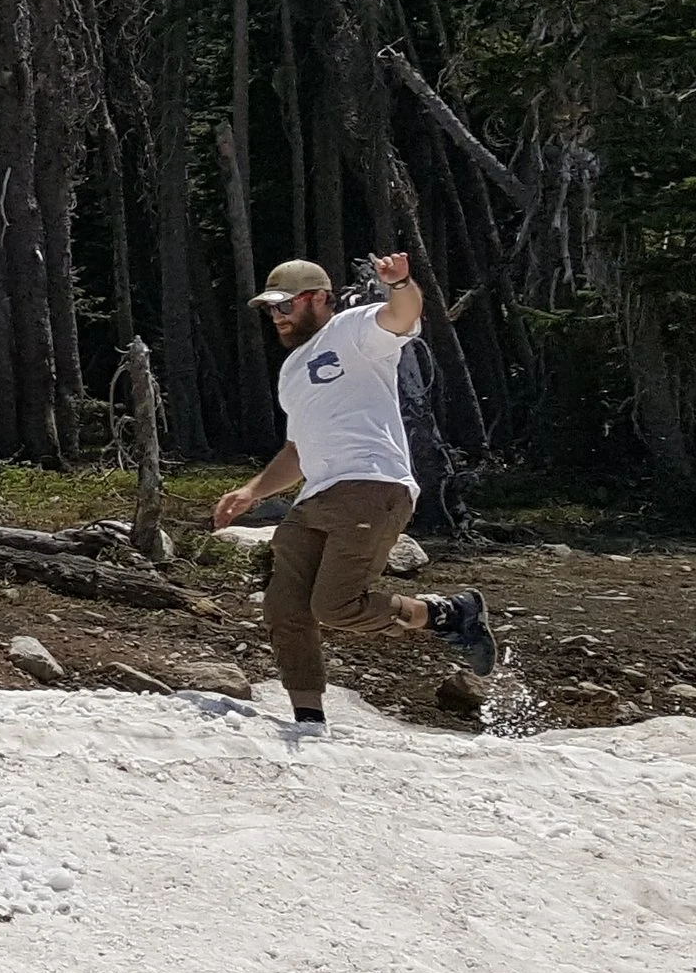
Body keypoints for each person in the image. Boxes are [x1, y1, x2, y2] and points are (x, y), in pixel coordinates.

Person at [213, 253, 499, 735]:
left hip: (371, 485)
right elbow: (298, 451)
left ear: (318, 298)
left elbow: (403, 316)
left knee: (336, 606)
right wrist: (252, 491)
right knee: (285, 607)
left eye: (285, 306)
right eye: (271, 310)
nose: (277, 318)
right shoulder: (291, 371)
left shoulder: (352, 330)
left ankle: (450, 613)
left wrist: (402, 282)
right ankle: (308, 719)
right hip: (317, 497)